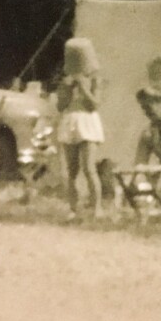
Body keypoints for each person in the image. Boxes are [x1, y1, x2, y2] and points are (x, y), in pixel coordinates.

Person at [55, 37, 104, 217]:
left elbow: (95, 105)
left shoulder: (94, 79)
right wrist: (67, 89)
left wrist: (84, 88)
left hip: (87, 122)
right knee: (72, 169)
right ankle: (72, 208)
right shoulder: (66, 81)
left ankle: (97, 208)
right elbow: (60, 106)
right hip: (70, 120)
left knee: (89, 167)